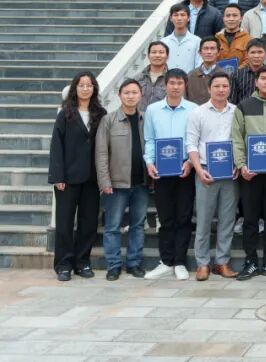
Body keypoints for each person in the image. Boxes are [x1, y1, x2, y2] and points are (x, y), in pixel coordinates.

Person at [230, 65, 266, 281]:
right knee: (250, 219)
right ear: (256, 81)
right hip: (250, 173)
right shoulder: (244, 106)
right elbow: (236, 138)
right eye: (263, 78)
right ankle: (251, 262)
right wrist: (241, 165)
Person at [50, 71, 106, 281]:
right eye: (81, 85)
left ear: (94, 88)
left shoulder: (100, 113)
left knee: (89, 222)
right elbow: (56, 146)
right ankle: (63, 265)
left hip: (92, 178)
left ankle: (82, 262)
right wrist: (58, 176)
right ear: (75, 88)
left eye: (89, 85)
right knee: (64, 223)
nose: (85, 89)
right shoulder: (65, 113)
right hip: (67, 178)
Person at [142, 69, 197, 280]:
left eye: (179, 83)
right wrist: (149, 162)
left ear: (185, 85)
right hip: (162, 170)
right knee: (165, 217)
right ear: (165, 85)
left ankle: (180, 262)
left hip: (185, 169)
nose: (175, 87)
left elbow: (196, 139)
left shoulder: (193, 109)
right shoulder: (153, 110)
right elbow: (149, 139)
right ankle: (166, 261)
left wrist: (190, 162)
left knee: (183, 217)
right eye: (172, 83)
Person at [185, 71, 239, 281]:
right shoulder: (198, 113)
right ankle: (202, 263)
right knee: (204, 219)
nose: (221, 90)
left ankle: (222, 262)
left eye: (225, 86)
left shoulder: (236, 111)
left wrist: (238, 164)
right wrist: (199, 170)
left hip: (230, 172)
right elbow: (191, 144)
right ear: (209, 89)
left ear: (230, 89)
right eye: (216, 86)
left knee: (227, 219)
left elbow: (241, 141)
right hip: (206, 170)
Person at [95, 79, 149, 281]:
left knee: (138, 225)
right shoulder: (108, 120)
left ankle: (134, 263)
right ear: (120, 95)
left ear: (140, 95)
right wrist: (104, 181)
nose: (130, 96)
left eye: (134, 92)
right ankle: (113, 265)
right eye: (127, 92)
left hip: (141, 183)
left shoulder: (146, 119)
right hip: (116, 184)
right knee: (112, 226)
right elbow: (101, 154)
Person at [162, 3, 200, 72]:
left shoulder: (197, 41)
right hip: (168, 78)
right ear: (171, 18)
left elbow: (199, 65)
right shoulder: (164, 42)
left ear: (188, 18)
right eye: (176, 15)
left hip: (189, 78)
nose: (179, 18)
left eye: (182, 15)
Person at [185, 37, 223, 104]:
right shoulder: (191, 75)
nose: (209, 52)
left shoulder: (225, 75)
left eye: (212, 48)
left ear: (218, 52)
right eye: (206, 48)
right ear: (200, 52)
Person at [230, 40, 266, 105]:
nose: (256, 56)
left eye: (260, 52)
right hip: (242, 110)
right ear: (247, 55)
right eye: (253, 52)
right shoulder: (237, 75)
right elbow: (232, 101)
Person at [136, 40, 170, 110]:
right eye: (154, 52)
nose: (157, 55)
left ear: (167, 56)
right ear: (148, 56)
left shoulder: (171, 79)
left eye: (161, 52)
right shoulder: (138, 78)